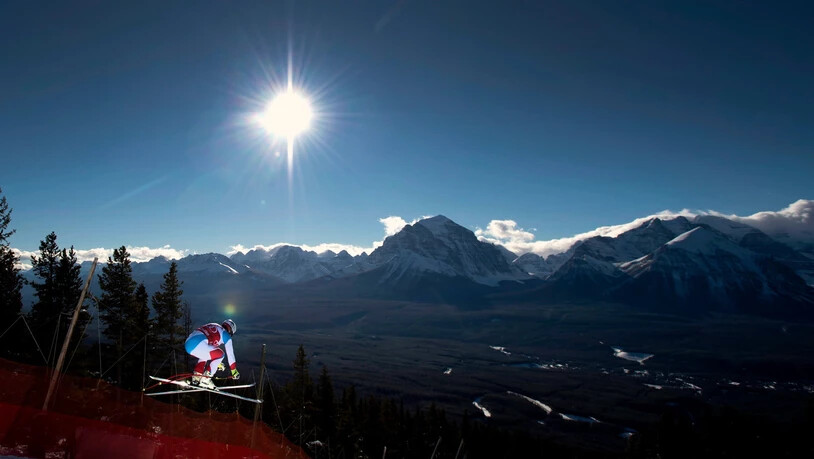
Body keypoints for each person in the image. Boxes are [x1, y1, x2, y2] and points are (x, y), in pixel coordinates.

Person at [184, 319, 240, 389]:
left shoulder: (215, 325)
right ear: (230, 331)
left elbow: (207, 352)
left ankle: (196, 378)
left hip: (188, 343)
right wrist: (234, 370)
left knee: (205, 355)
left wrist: (217, 364)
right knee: (221, 355)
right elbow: (230, 354)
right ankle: (206, 379)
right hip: (198, 343)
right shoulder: (225, 335)